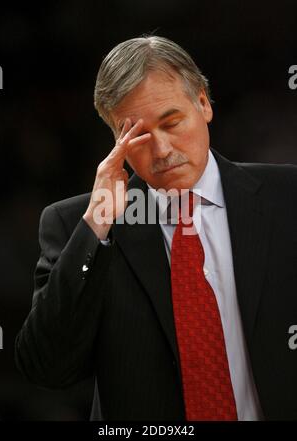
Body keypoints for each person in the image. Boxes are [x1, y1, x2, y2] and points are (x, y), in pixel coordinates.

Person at [15, 36, 297, 421]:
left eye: (172, 122)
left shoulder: (287, 197)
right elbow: (46, 367)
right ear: (116, 139)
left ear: (203, 103)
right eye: (139, 135)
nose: (162, 150)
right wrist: (95, 228)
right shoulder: (76, 226)